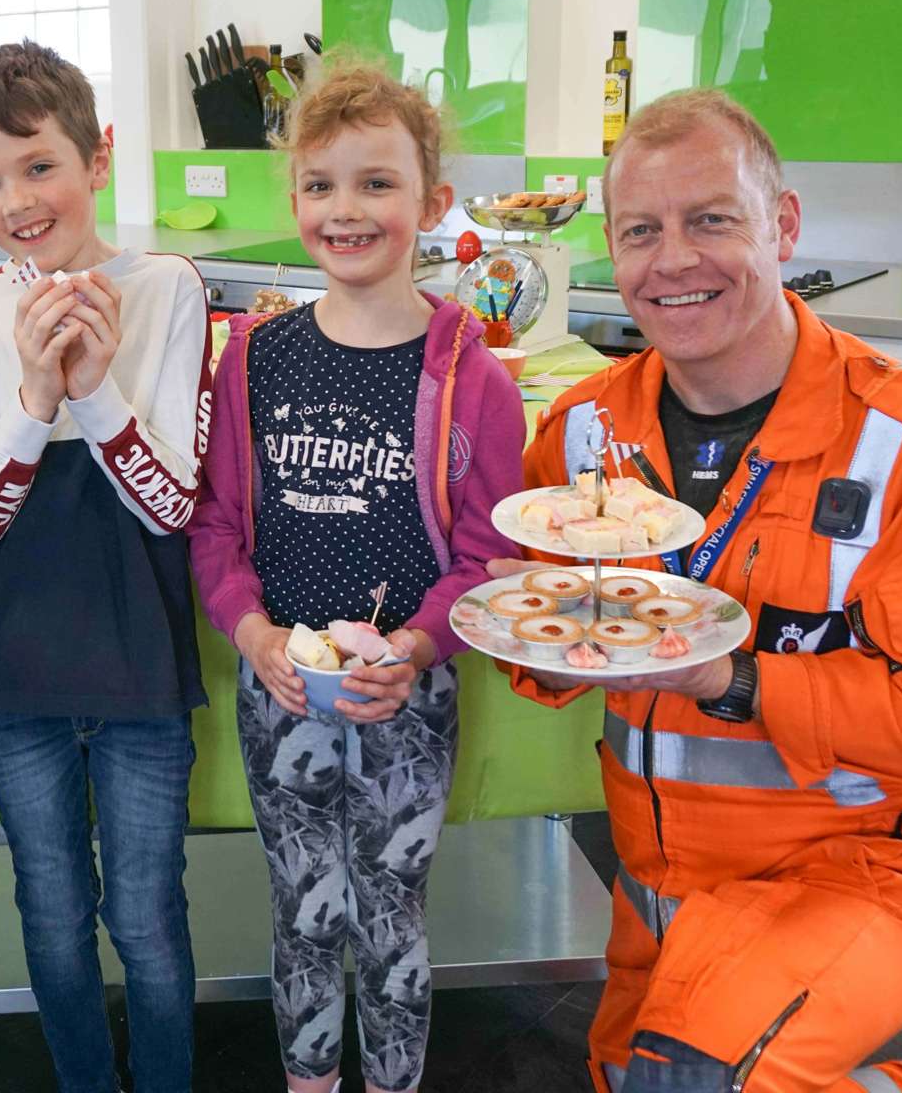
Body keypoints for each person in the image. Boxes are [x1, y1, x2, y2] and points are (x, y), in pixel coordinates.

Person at [498, 89, 902, 1092]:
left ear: (784, 225)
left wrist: (732, 677)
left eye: (711, 219)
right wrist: (521, 620)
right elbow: (542, 659)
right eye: (642, 230)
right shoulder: (584, 432)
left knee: (695, 1083)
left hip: (867, 875)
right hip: (661, 884)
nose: (674, 260)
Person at [188, 63, 523, 1093]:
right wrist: (254, 636)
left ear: (431, 201)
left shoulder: (478, 374)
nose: (348, 208)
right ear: (294, 203)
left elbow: (486, 560)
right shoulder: (250, 358)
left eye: (377, 183)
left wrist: (419, 644)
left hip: (407, 696)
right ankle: (307, 1077)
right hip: (279, 683)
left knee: (390, 907)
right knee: (300, 902)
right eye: (322, 184)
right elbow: (216, 528)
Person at [0, 40, 209, 1093]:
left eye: (38, 164)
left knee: (146, 913)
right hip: (21, 671)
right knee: (50, 910)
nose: (17, 200)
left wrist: (93, 386)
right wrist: (38, 390)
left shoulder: (169, 286)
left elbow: (171, 503)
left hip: (139, 667)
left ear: (100, 156)